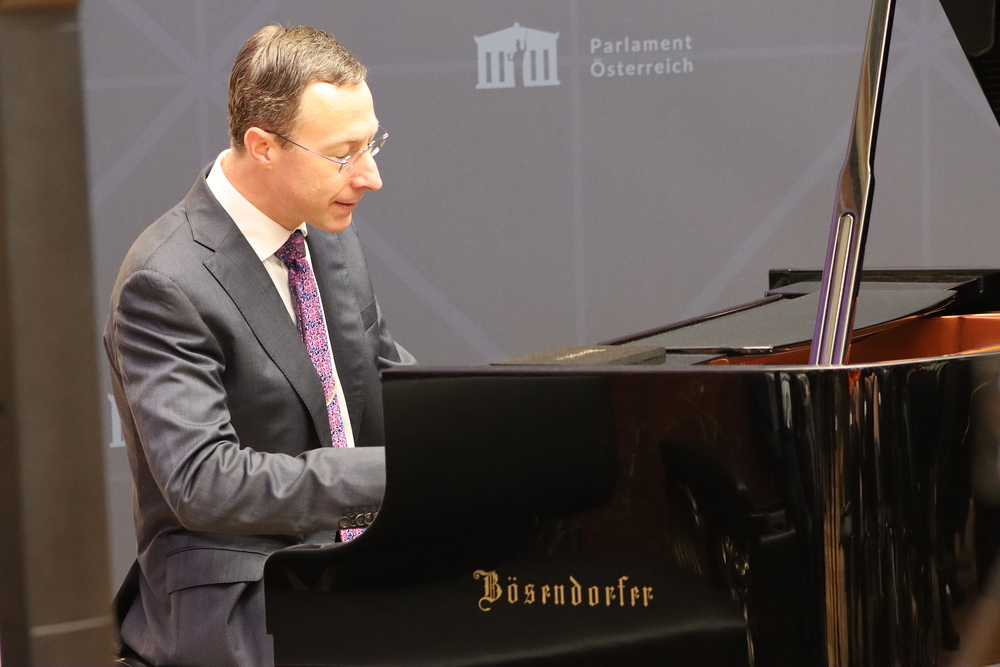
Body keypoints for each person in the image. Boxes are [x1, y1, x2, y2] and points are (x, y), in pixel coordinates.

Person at [105, 24, 414, 667]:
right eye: (344, 154)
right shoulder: (165, 281)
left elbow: (388, 382)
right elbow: (203, 481)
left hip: (355, 561)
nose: (371, 176)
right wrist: (396, 473)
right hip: (239, 589)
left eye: (371, 144)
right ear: (263, 146)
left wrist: (478, 429)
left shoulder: (326, 233)